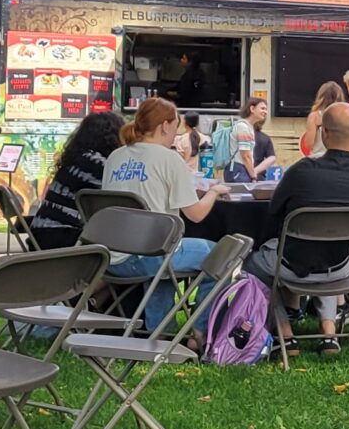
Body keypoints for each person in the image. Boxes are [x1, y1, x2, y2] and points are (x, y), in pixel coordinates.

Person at [248, 102, 349, 351]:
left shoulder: (300, 172)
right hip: (339, 268)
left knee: (253, 263)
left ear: (324, 133)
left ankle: (285, 332)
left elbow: (275, 212)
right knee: (328, 248)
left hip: (290, 265)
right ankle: (328, 331)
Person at [101, 98, 228, 332]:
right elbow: (196, 215)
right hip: (150, 256)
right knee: (223, 256)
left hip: (111, 257)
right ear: (165, 126)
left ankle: (161, 334)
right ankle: (201, 333)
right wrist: (214, 192)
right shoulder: (169, 159)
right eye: (176, 126)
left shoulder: (115, 157)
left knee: (166, 254)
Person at [28, 111, 126, 252]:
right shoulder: (95, 164)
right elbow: (121, 189)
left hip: (43, 234)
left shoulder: (77, 159)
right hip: (63, 236)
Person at [300, 80, 347, 160]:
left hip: (318, 158)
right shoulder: (345, 115)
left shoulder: (315, 116)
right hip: (339, 158)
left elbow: (308, 144)